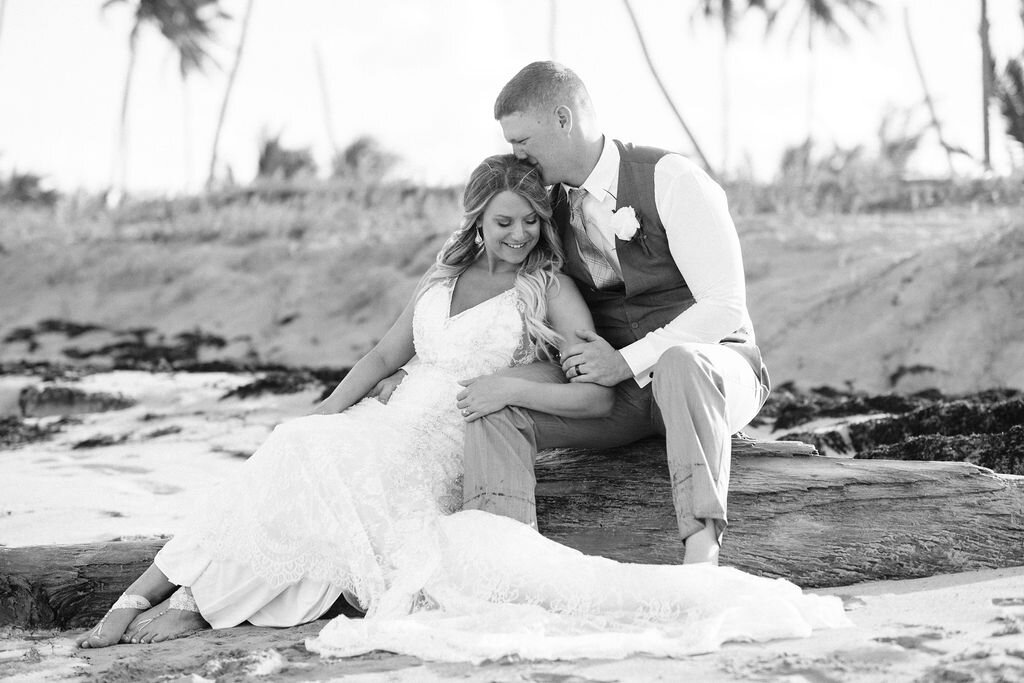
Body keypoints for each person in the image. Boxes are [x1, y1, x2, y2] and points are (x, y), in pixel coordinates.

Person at [75, 154, 615, 648]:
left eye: (530, 221)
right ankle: (139, 596)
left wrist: (514, 388)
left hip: (438, 452)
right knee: (294, 443)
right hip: (383, 424)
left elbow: (595, 399)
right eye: (504, 222)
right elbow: (382, 357)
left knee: (309, 470)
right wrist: (327, 410)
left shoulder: (550, 289)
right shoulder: (443, 276)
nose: (519, 234)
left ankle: (198, 605)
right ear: (476, 219)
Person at [458, 61, 772, 565]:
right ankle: (503, 560)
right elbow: (502, 281)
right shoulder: (546, 208)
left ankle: (701, 552)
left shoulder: (671, 179)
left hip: (712, 372)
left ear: (563, 118)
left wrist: (624, 362)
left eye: (523, 140)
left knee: (682, 363)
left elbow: (725, 305)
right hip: (619, 397)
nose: (516, 155)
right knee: (498, 408)